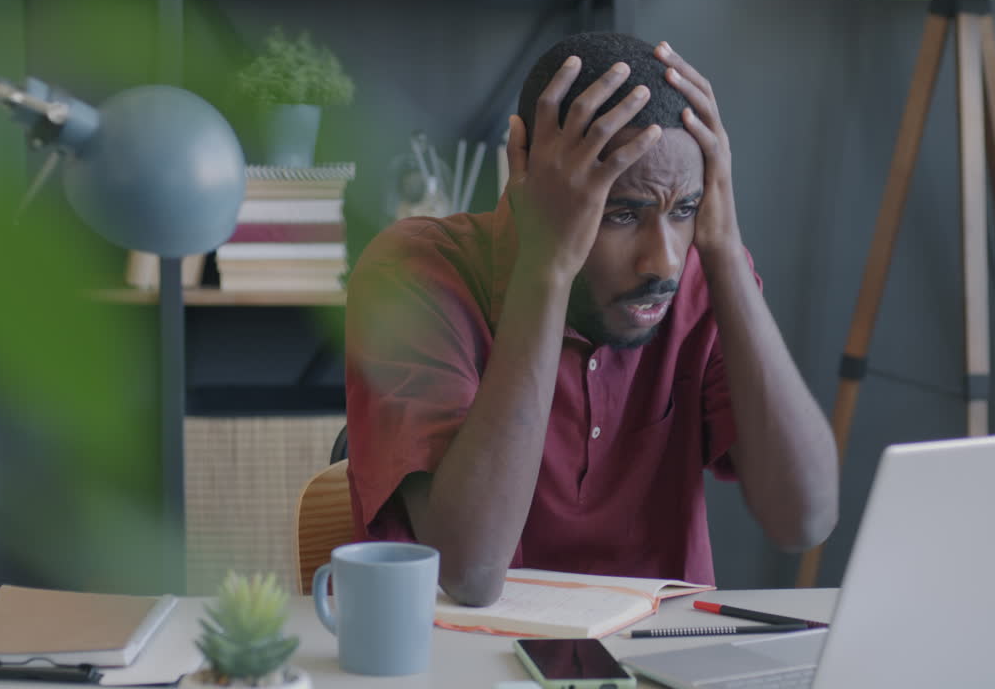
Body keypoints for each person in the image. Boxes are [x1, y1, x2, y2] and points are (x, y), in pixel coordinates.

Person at [345, 32, 838, 607]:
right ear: (528, 181)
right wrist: (547, 270)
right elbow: (469, 572)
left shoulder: (699, 275)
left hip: (657, 658)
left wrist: (725, 246)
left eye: (685, 209)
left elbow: (804, 520)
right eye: (622, 214)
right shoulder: (416, 275)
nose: (665, 261)